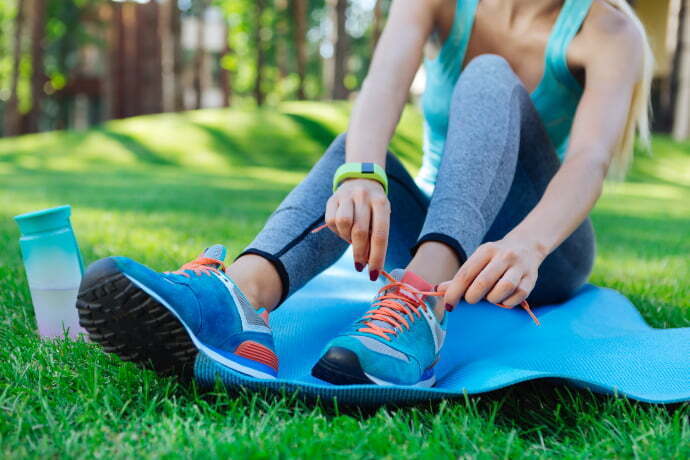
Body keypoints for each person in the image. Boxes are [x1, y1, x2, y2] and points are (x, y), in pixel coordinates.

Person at [77, 0, 653, 387]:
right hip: (443, 224)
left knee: (488, 74)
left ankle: (419, 304)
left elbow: (588, 161)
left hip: (542, 252)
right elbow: (382, 85)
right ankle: (242, 301)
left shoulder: (609, 30)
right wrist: (361, 173)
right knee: (354, 150)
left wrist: (527, 245)